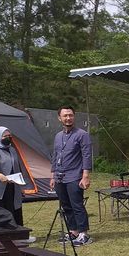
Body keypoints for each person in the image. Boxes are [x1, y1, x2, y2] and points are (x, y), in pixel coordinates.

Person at [50, 105, 93, 246]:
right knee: (66, 206)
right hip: (59, 177)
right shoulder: (58, 136)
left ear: (74, 117)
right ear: (59, 118)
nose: (68, 118)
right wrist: (52, 175)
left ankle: (84, 234)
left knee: (77, 205)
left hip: (75, 176)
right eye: (65, 116)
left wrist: (85, 175)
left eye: (70, 115)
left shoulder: (82, 134)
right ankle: (73, 231)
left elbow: (87, 155)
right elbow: (55, 155)